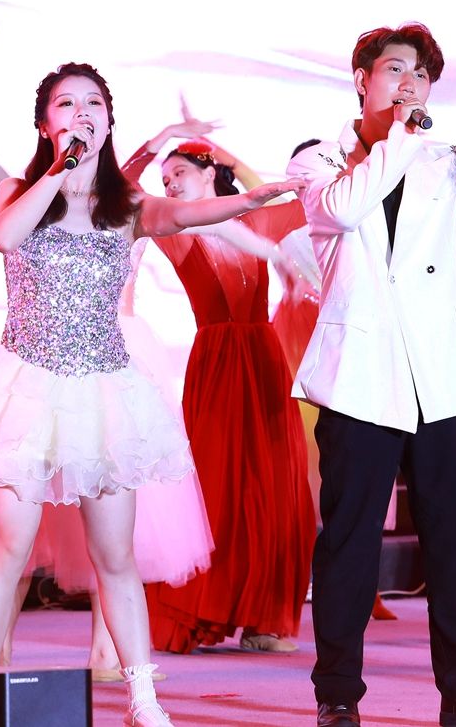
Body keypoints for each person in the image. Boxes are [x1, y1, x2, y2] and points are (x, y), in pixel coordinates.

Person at [0, 62, 301, 726]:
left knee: (116, 557)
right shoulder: (17, 191)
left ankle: (143, 699)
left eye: (93, 103)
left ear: (109, 121)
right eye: (65, 104)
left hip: (104, 394)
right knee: (8, 550)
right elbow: (4, 234)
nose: (80, 112)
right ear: (45, 124)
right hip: (28, 391)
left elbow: (186, 213)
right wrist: (55, 167)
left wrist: (249, 201)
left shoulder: (127, 207)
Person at [287, 23, 456, 727]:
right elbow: (342, 210)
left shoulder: (440, 158)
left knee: (451, 538)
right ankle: (337, 694)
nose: (410, 84)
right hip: (361, 376)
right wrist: (400, 140)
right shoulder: (320, 159)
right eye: (396, 69)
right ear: (362, 79)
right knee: (349, 540)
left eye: (422, 75)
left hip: (437, 371)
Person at [144, 142, 318, 654]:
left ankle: (263, 618)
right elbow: (127, 194)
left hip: (263, 358)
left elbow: (315, 202)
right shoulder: (176, 229)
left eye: (179, 172)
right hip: (218, 364)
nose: (170, 183)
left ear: (209, 174)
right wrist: (158, 142)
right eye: (165, 178)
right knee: (215, 486)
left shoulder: (256, 221)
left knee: (271, 487)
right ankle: (200, 611)